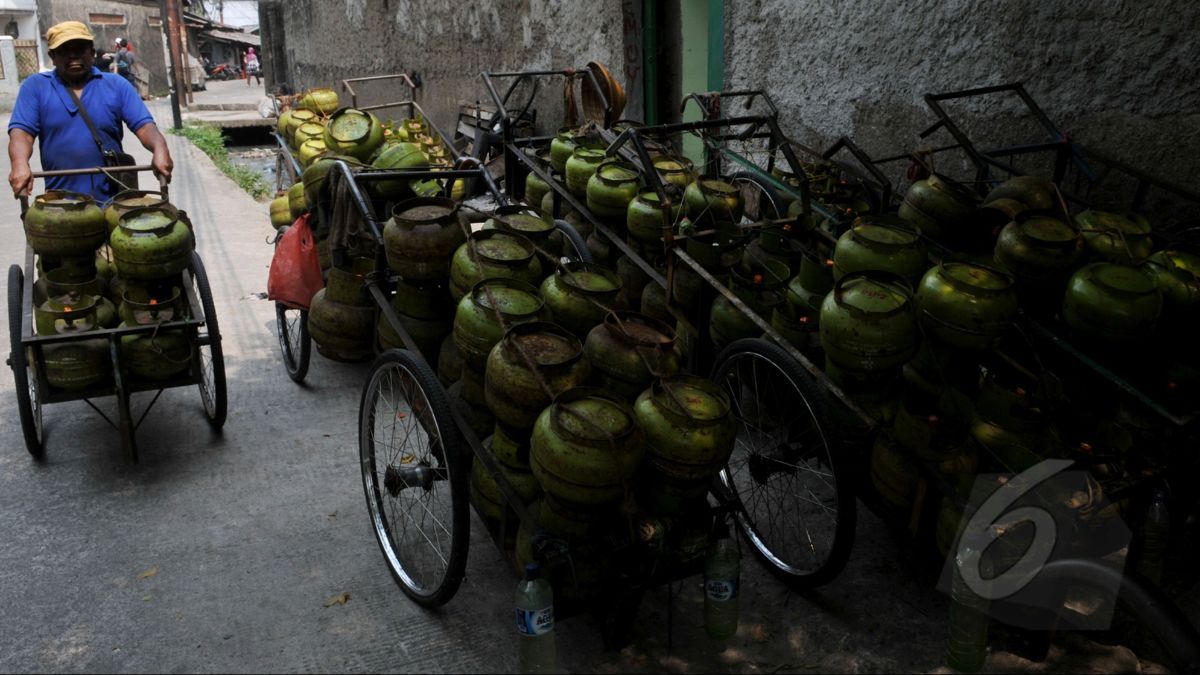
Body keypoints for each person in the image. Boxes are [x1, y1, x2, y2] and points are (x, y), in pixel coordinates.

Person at [7, 21, 172, 203]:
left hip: (116, 200)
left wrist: (160, 148)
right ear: (52, 56)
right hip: (61, 204)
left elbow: (144, 126)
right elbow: (22, 134)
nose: (73, 56)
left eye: (80, 49)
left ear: (92, 53)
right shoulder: (36, 87)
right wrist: (19, 163)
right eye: (64, 50)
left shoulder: (116, 85)